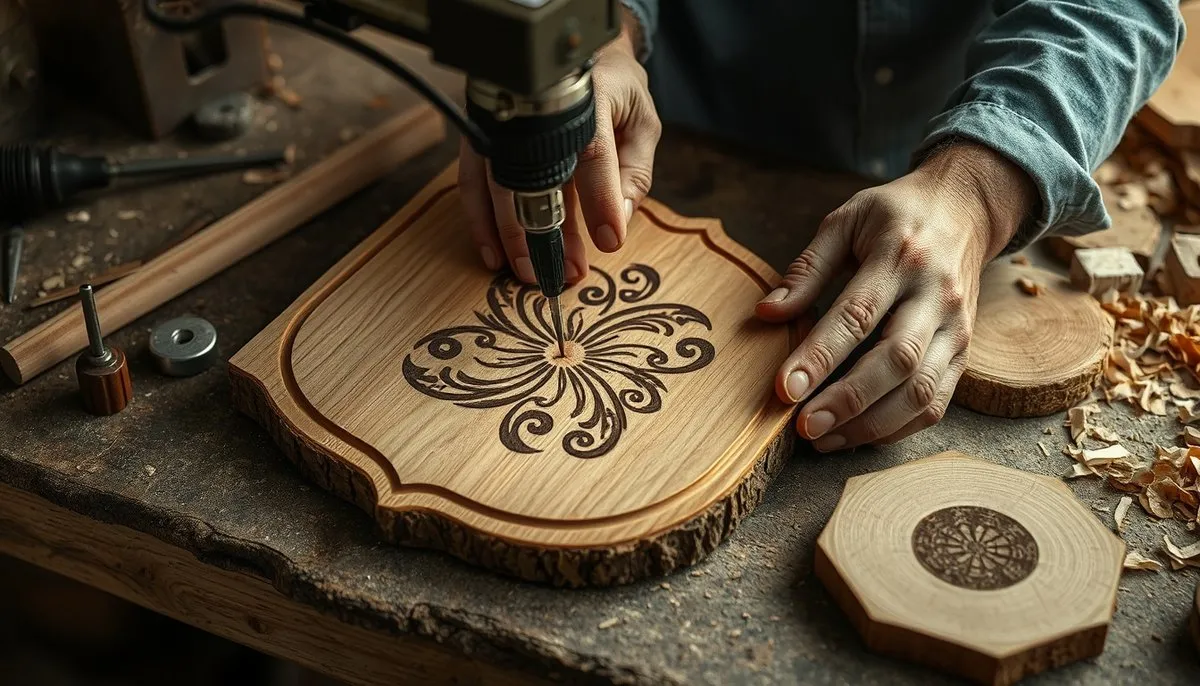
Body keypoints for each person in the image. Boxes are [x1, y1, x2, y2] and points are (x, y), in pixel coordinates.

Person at [457, 1, 1184, 451]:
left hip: (942, 137)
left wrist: (979, 188)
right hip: (661, 128)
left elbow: (1116, 7)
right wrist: (582, 32)